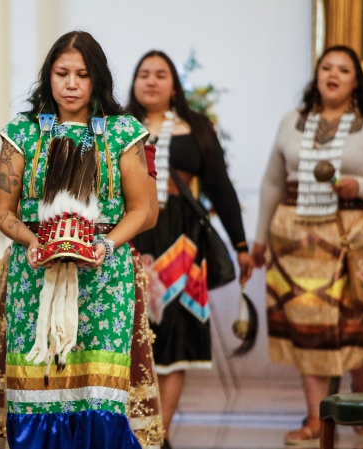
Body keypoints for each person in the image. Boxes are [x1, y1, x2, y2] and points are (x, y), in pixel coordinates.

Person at [0, 31, 157, 449]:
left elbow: (144, 210)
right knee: (38, 392)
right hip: (35, 274)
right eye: (61, 73)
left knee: (98, 393)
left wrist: (108, 244)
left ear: (97, 79)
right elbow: (2, 210)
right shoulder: (22, 132)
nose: (71, 84)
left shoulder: (122, 132)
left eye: (82, 75)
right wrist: (31, 241)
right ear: (48, 76)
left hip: (105, 275)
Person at [251, 45, 363, 445]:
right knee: (310, 330)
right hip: (296, 246)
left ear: (356, 80)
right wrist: (258, 237)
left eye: (343, 69)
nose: (333, 75)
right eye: (326, 68)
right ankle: (315, 418)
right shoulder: (293, 121)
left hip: (357, 243)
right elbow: (272, 182)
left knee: (361, 327)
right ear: (317, 75)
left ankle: (361, 407)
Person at [124, 50, 254, 446]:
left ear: (174, 84)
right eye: (143, 74)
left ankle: (157, 436)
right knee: (133, 338)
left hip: (184, 246)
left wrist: (241, 245)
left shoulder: (196, 127)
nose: (151, 81)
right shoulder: (119, 127)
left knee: (177, 341)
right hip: (132, 240)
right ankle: (132, 433)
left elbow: (221, 187)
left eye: (160, 74)